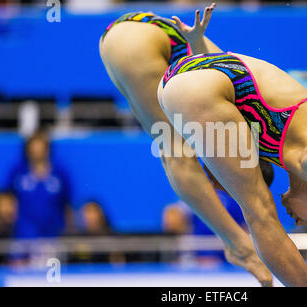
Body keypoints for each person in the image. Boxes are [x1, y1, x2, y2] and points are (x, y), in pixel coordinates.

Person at [157, 5, 307, 286]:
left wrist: (197, 42)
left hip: (188, 71)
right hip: (187, 90)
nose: (300, 223)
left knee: (246, 189)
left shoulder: (299, 145)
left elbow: (231, 70)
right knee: (260, 213)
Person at [99, 4, 273, 286]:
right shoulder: (237, 111)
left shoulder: (227, 110)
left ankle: (236, 244)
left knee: (172, 145)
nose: (215, 181)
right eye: (222, 182)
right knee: (177, 151)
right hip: (138, 39)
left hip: (132, 36)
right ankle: (238, 245)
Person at [8, 131, 71, 238]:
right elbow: (9, 200)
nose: (37, 151)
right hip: (24, 233)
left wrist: (67, 229)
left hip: (53, 234)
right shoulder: (18, 172)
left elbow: (67, 203)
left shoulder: (59, 173)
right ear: (28, 150)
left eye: (40, 147)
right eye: (34, 147)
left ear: (47, 149)